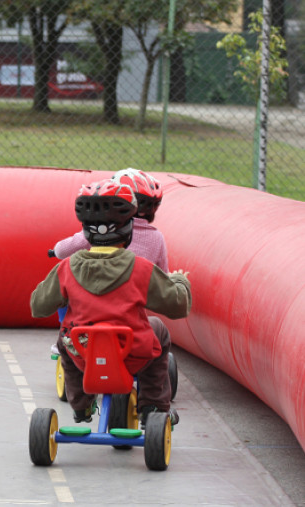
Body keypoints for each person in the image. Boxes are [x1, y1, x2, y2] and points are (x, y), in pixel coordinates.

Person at [30, 180, 190, 428]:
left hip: (84, 355)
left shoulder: (67, 268)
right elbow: (178, 306)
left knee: (64, 339)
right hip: (132, 354)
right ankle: (153, 408)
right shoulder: (141, 268)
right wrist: (179, 281)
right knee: (159, 330)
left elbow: (38, 306)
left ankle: (81, 405)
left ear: (85, 230)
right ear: (127, 229)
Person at [51, 168, 167, 271]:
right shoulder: (157, 237)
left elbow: (62, 251)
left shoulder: (105, 229)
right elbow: (163, 274)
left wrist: (55, 251)